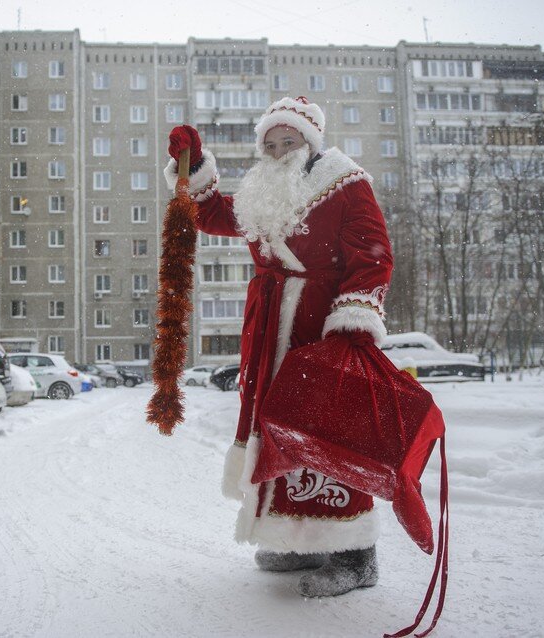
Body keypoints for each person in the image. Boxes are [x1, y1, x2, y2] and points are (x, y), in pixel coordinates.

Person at [165, 96, 394, 598]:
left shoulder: (346, 183)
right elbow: (211, 215)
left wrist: (352, 323)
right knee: (280, 432)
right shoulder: (263, 190)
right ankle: (298, 541)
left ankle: (356, 556)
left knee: (328, 435)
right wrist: (195, 165)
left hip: (322, 330)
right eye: (269, 142)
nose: (277, 149)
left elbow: (374, 256)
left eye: (287, 140)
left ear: (310, 141)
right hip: (272, 331)